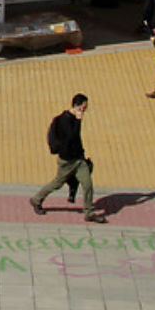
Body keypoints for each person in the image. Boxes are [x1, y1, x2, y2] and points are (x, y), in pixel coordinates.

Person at [29, 94, 106, 223]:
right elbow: (72, 137)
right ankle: (36, 199)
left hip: (79, 160)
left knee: (87, 184)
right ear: (77, 106)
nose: (85, 109)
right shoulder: (64, 120)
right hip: (67, 161)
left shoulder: (73, 119)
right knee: (57, 183)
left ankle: (88, 212)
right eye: (84, 107)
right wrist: (78, 120)